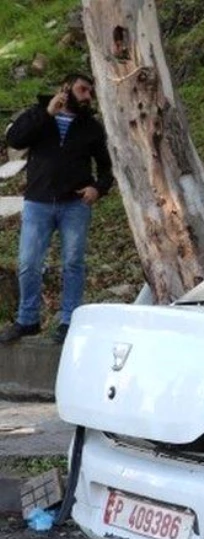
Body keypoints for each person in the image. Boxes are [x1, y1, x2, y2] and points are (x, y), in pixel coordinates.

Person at [1, 73, 113, 345]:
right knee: (28, 263)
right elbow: (15, 140)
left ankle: (69, 320)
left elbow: (106, 166)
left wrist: (97, 188)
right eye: (82, 89)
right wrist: (47, 113)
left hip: (74, 205)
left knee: (73, 263)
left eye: (90, 92)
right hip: (38, 203)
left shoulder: (92, 127)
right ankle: (28, 320)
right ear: (66, 88)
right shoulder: (39, 113)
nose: (87, 96)